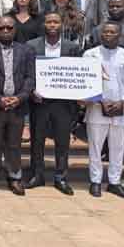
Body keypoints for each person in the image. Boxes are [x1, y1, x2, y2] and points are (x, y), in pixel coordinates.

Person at [0, 16, 35, 195]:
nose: (5, 31)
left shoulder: (26, 51)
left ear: (14, 30)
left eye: (9, 28)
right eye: (1, 28)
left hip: (17, 106)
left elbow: (30, 77)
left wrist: (20, 97)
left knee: (14, 145)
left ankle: (14, 177)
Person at [26, 12, 80, 195]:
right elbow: (27, 72)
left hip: (63, 103)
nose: (52, 25)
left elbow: (76, 74)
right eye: (48, 22)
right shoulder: (32, 45)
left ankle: (60, 177)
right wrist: (32, 91)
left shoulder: (72, 47)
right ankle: (37, 175)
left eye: (56, 22)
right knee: (37, 140)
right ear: (43, 25)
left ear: (61, 24)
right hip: (39, 102)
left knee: (62, 142)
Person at [82, 22, 124, 198]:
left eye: (112, 32)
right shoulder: (90, 54)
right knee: (95, 147)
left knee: (118, 147)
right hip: (96, 108)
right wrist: (99, 100)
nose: (108, 35)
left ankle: (114, 182)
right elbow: (85, 81)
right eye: (105, 32)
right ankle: (95, 181)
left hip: (120, 109)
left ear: (119, 35)